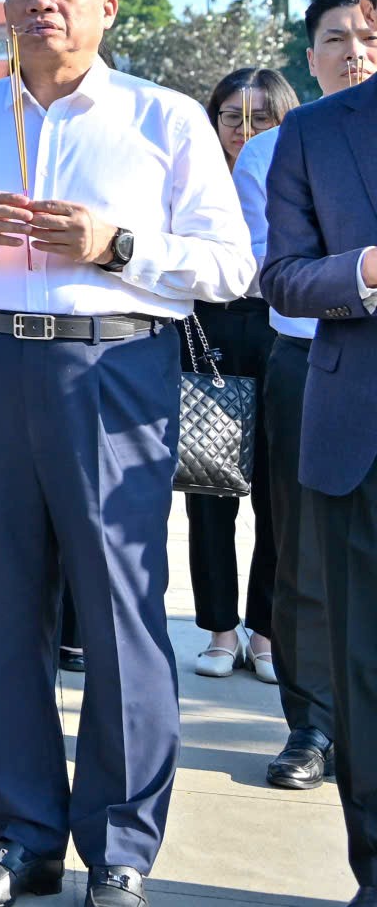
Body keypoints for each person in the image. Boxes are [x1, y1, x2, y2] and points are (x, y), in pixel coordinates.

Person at [0, 0, 253, 907]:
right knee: (2, 608)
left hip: (113, 368)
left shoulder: (162, 118)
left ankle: (120, 845)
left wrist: (118, 243)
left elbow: (231, 266)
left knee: (118, 613)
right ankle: (20, 836)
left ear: (106, 4)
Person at [238, 0, 375, 792]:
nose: (355, 52)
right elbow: (277, 274)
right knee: (309, 563)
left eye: (366, 37)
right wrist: (364, 272)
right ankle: (315, 725)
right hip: (320, 374)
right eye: (338, 38)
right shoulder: (292, 142)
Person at [263, 0, 377, 907]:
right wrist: (366, 270)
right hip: (357, 433)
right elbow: (285, 275)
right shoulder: (314, 132)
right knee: (366, 670)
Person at [186, 66, 297, 680]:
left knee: (278, 492)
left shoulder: (296, 171)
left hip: (282, 331)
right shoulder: (196, 179)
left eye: (262, 119)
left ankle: (266, 631)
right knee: (209, 485)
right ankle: (220, 630)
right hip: (212, 334)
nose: (245, 130)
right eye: (232, 116)